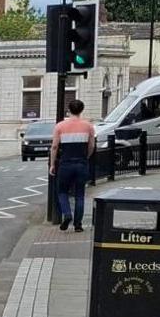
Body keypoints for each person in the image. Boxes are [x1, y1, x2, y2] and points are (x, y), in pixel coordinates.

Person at [49, 99, 96, 232]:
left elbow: (54, 146)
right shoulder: (88, 126)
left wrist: (52, 164)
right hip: (81, 163)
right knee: (80, 194)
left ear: (69, 110)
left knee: (62, 192)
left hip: (65, 163)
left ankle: (67, 214)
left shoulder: (60, 126)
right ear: (81, 110)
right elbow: (91, 145)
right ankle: (78, 225)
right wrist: (86, 156)